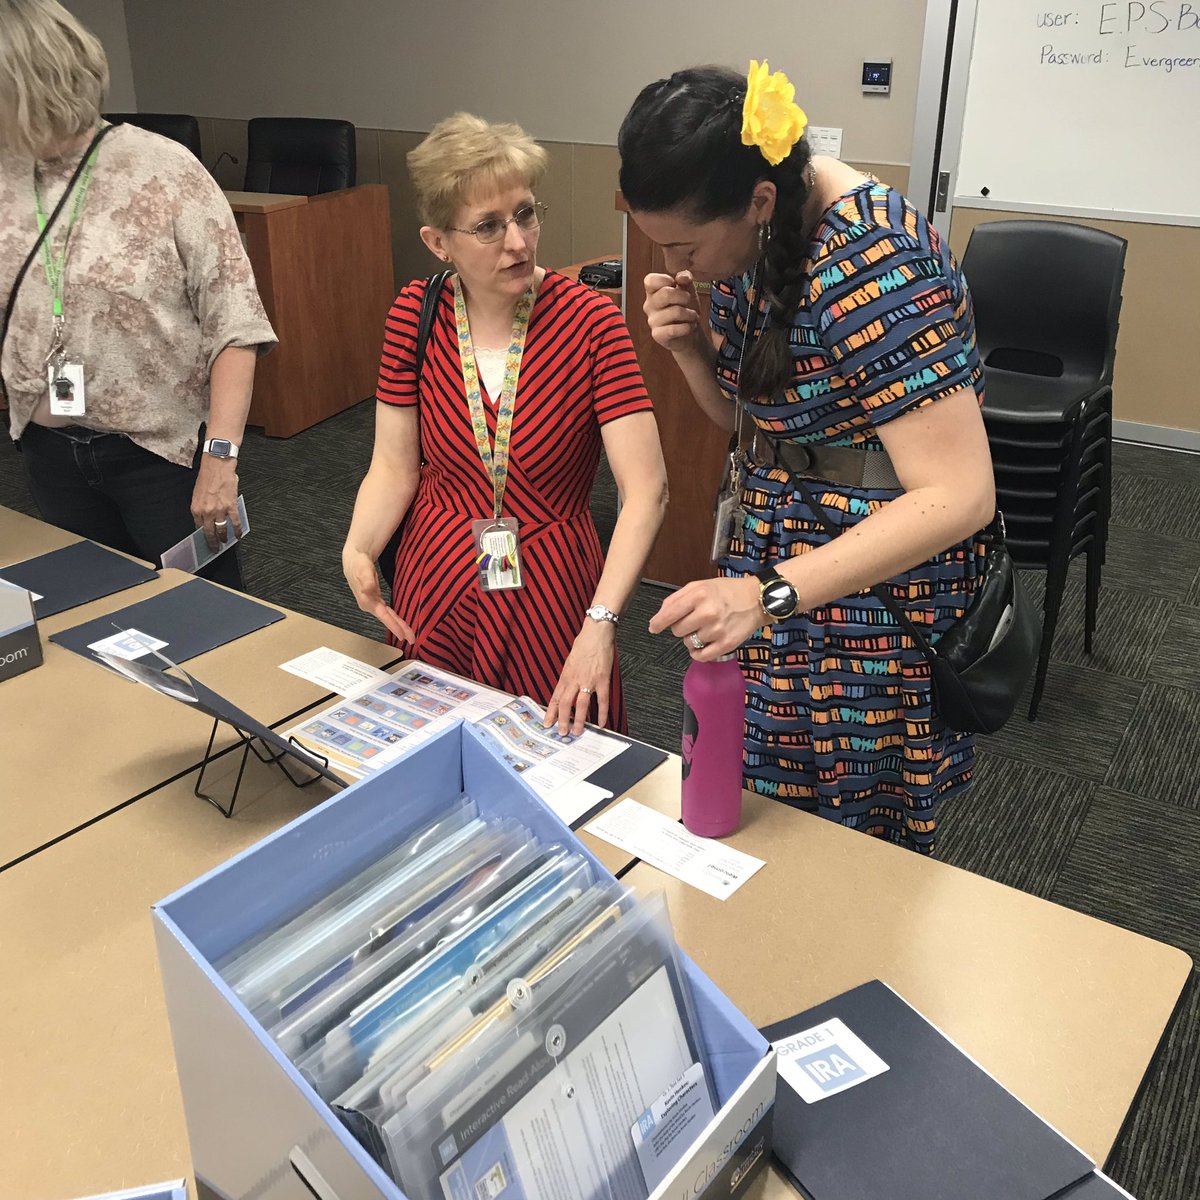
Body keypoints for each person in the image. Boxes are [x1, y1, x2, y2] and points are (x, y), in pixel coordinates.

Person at [618, 62, 995, 854]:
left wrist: (769, 597)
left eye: (684, 244)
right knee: (764, 811)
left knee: (853, 846)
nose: (678, 265)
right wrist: (693, 351)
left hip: (868, 599)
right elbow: (753, 420)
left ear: (757, 201)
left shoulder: (879, 262)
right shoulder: (757, 238)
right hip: (778, 567)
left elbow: (960, 495)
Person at [342, 113, 668, 737]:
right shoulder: (416, 314)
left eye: (525, 214)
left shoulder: (591, 323)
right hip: (437, 572)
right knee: (436, 752)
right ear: (438, 243)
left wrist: (601, 622)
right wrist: (359, 546)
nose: (518, 242)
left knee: (559, 760)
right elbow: (392, 465)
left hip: (554, 586)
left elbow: (646, 491)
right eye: (489, 227)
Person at [0, 0, 276, 589]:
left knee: (206, 620)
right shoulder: (5, 171)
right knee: (94, 614)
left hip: (162, 457)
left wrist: (220, 462)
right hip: (48, 448)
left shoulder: (163, 169)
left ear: (31, 84)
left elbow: (237, 325)